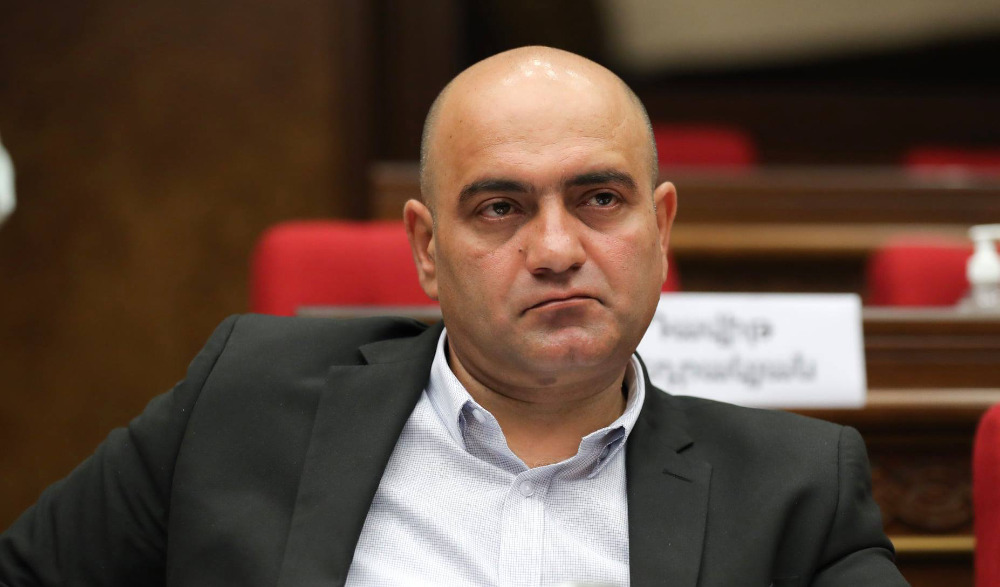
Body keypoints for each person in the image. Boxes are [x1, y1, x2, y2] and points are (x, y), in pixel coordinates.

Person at [0, 46, 908, 586]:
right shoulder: (241, 401)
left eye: (598, 198)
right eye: (501, 208)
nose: (555, 248)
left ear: (660, 229)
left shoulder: (796, 491)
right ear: (427, 248)